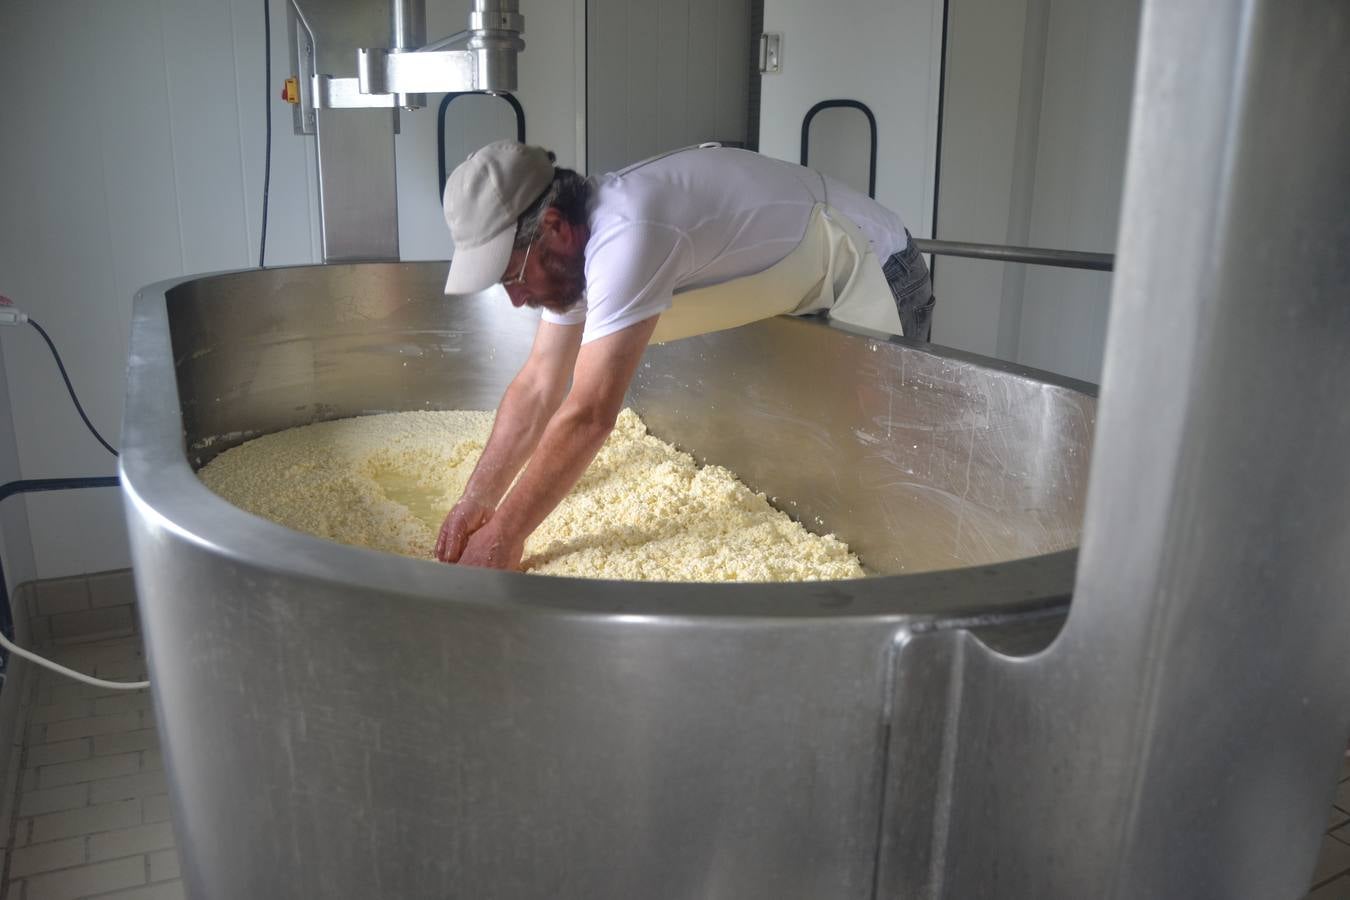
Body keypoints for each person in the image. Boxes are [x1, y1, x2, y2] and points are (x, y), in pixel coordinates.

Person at [433, 140, 934, 569]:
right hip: (805, 286)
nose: (517, 300)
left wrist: (503, 536)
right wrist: (476, 500)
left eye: (513, 278)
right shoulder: (570, 262)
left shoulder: (627, 235)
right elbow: (540, 383)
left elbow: (587, 414)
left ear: (555, 227)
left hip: (876, 265)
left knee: (883, 469)